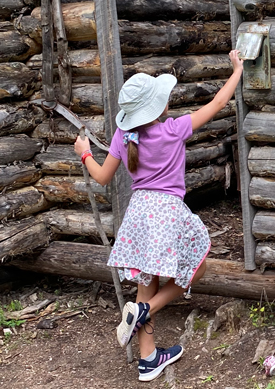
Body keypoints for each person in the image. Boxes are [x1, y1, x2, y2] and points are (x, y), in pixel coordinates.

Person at [74, 50, 243, 382]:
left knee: (145, 281)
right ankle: (146, 312)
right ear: (159, 107)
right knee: (197, 267)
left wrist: (83, 154)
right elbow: (218, 103)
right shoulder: (175, 128)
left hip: (139, 214)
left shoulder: (125, 136)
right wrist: (236, 69)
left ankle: (148, 357)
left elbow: (103, 178)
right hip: (166, 212)